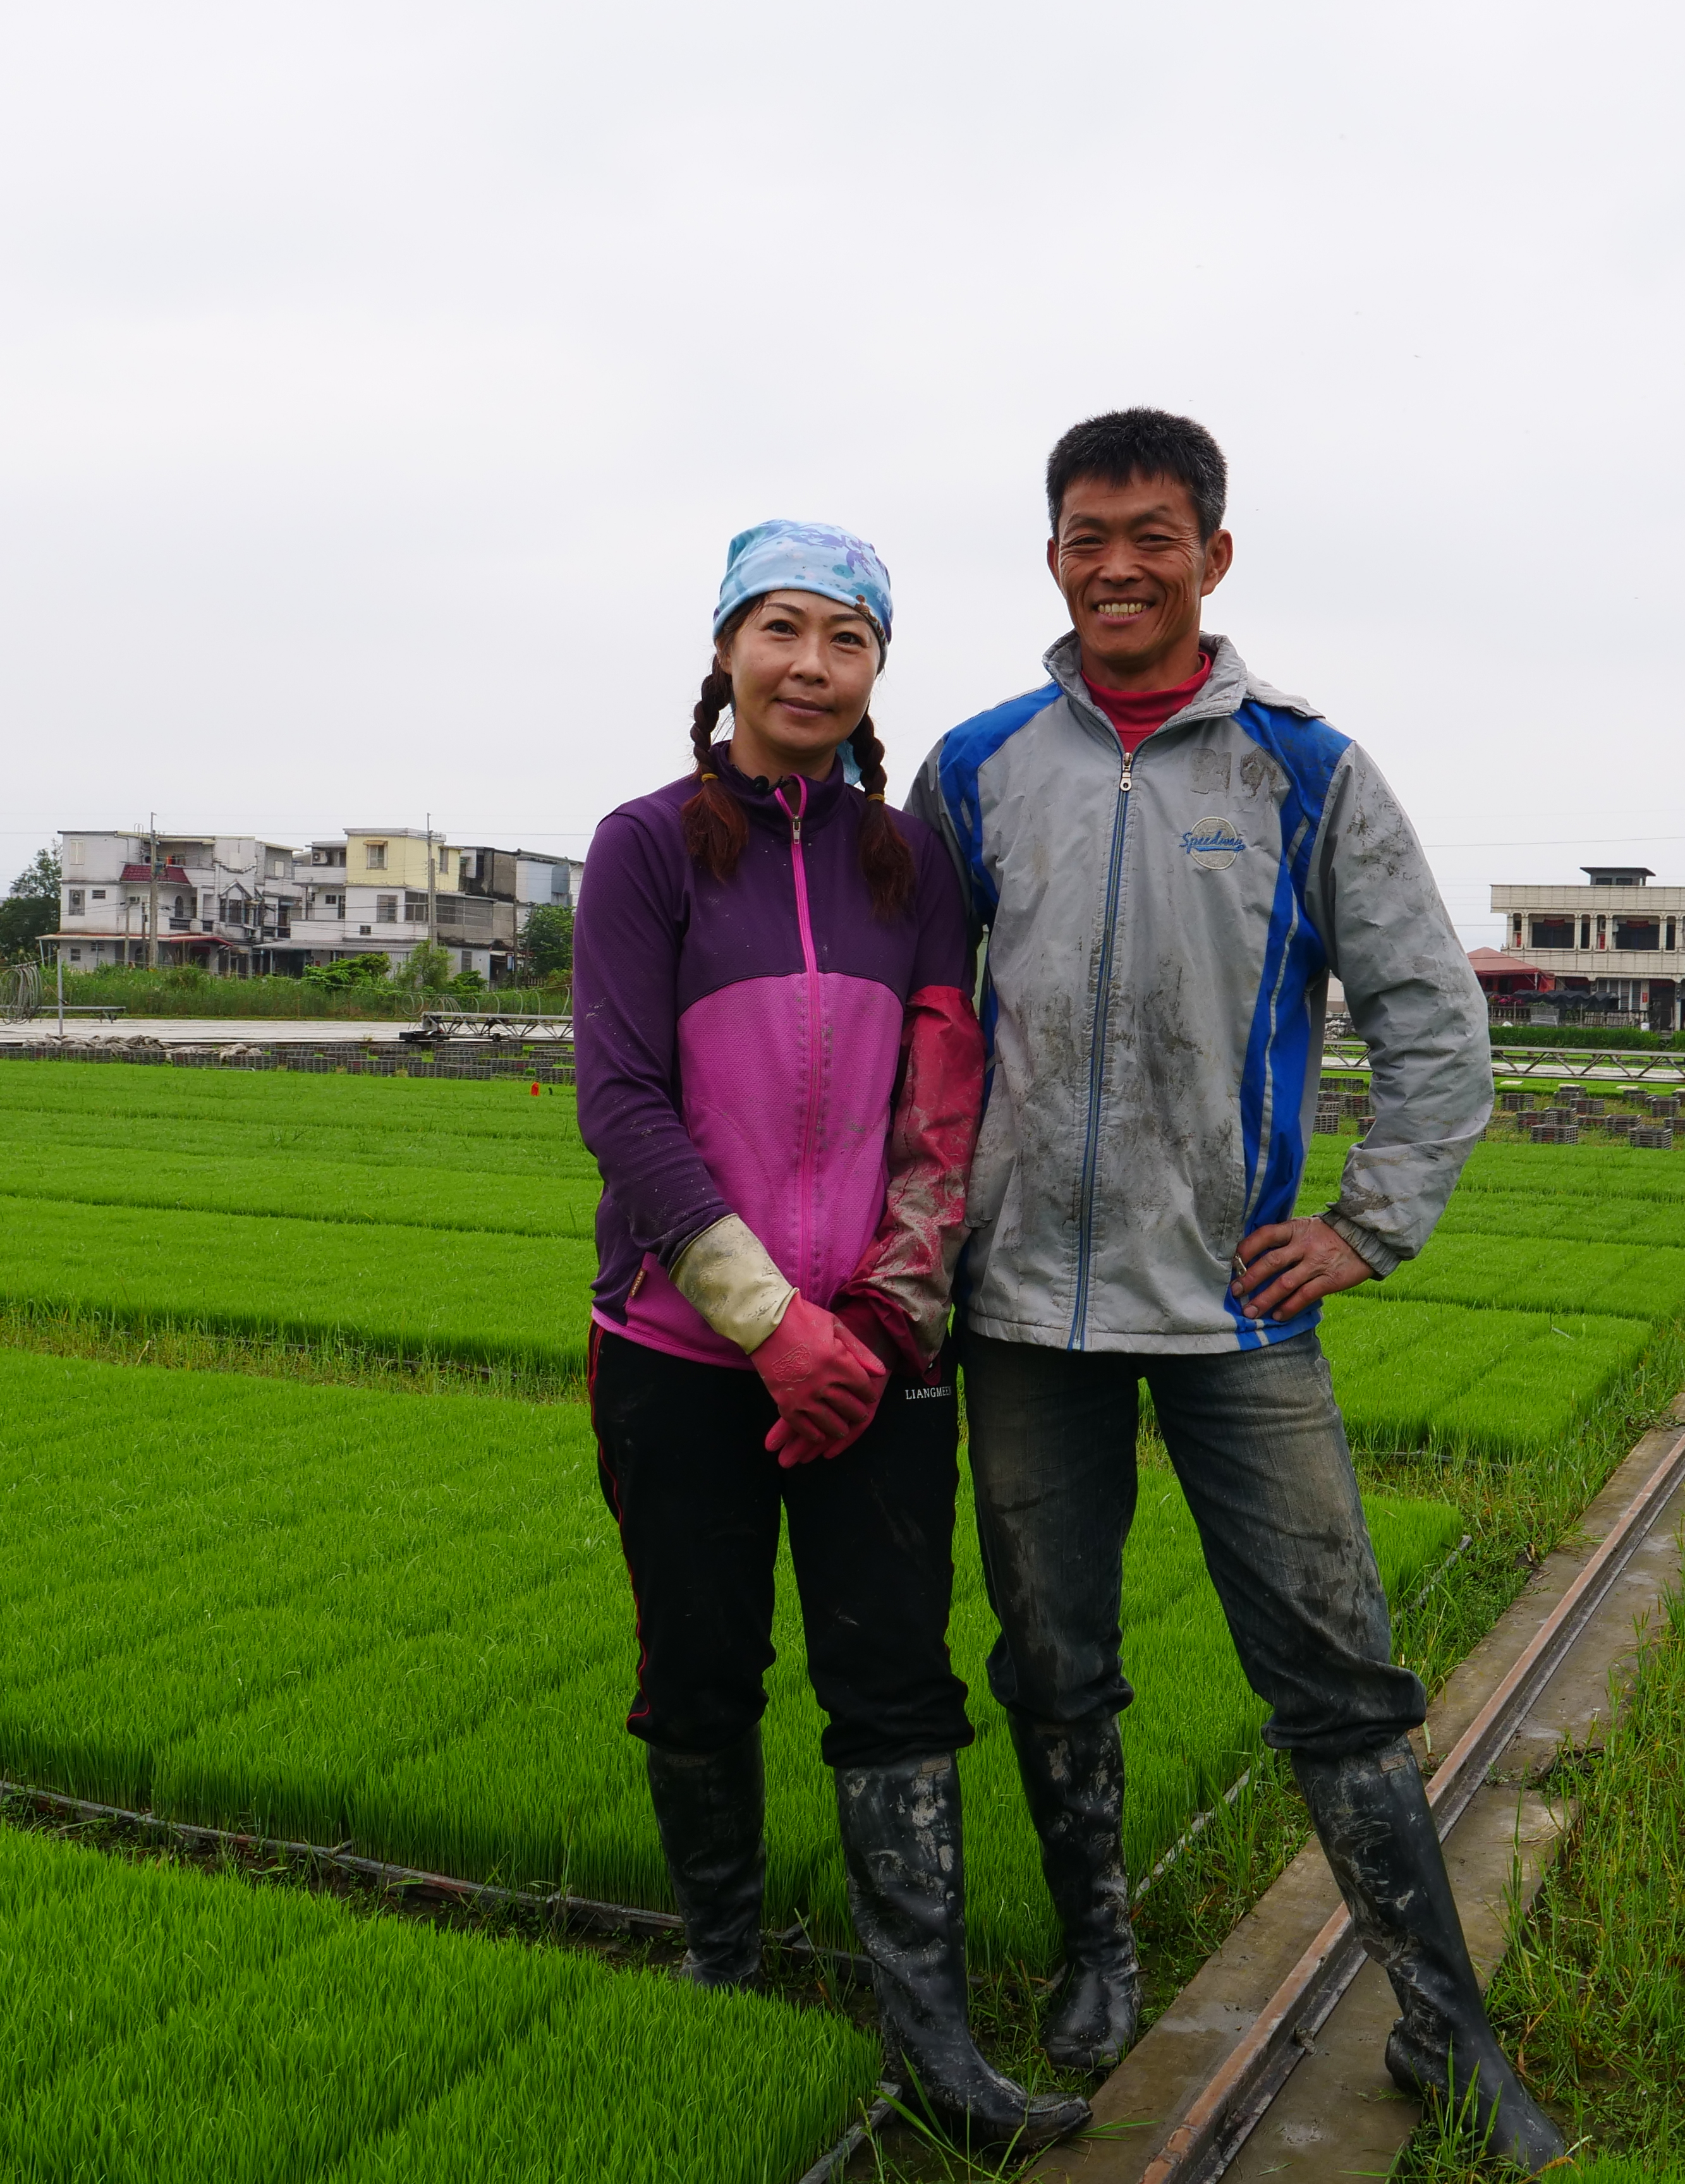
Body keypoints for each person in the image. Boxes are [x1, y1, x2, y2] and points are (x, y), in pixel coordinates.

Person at [910, 411, 1573, 2171]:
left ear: (1213, 554)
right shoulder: (976, 768)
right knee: (1052, 1655)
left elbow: (1434, 1019)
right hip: (1022, 1312)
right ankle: (1100, 1954)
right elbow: (921, 1018)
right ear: (1052, 556)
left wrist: (1367, 1223)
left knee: (1337, 1665)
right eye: (1086, 534)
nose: (1117, 563)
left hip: (1235, 1309)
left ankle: (1441, 2021)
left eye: (1153, 533)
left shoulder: (1305, 767)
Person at [573, 521, 1089, 2154]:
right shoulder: (646, 849)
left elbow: (946, 1101)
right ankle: (724, 1972)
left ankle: (936, 2040)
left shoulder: (909, 864)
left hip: (881, 1355)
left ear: (877, 668)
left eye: (847, 637)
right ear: (727, 650)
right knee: (698, 1670)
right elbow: (623, 1104)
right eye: (781, 629)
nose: (811, 665)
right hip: (683, 1351)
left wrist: (871, 1321)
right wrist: (769, 1325)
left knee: (897, 1684)